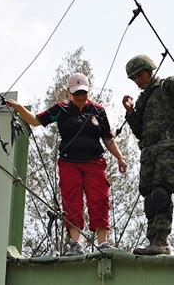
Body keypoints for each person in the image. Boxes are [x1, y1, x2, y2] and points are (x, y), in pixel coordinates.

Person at [7, 72, 127, 255]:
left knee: (100, 199)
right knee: (72, 201)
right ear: (69, 93)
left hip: (95, 162)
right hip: (69, 163)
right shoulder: (61, 109)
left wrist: (119, 157)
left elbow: (107, 138)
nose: (80, 97)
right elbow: (36, 121)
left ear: (88, 92)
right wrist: (19, 108)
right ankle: (76, 244)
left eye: (83, 93)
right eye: (76, 93)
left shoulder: (98, 110)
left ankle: (103, 243)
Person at [122, 54, 174, 255]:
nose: (137, 81)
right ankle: (152, 240)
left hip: (167, 146)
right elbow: (139, 130)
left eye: (139, 76)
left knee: (161, 192)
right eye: (134, 78)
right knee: (149, 197)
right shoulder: (142, 100)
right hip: (148, 151)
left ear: (148, 71)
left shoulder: (165, 86)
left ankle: (162, 240)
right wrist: (130, 112)